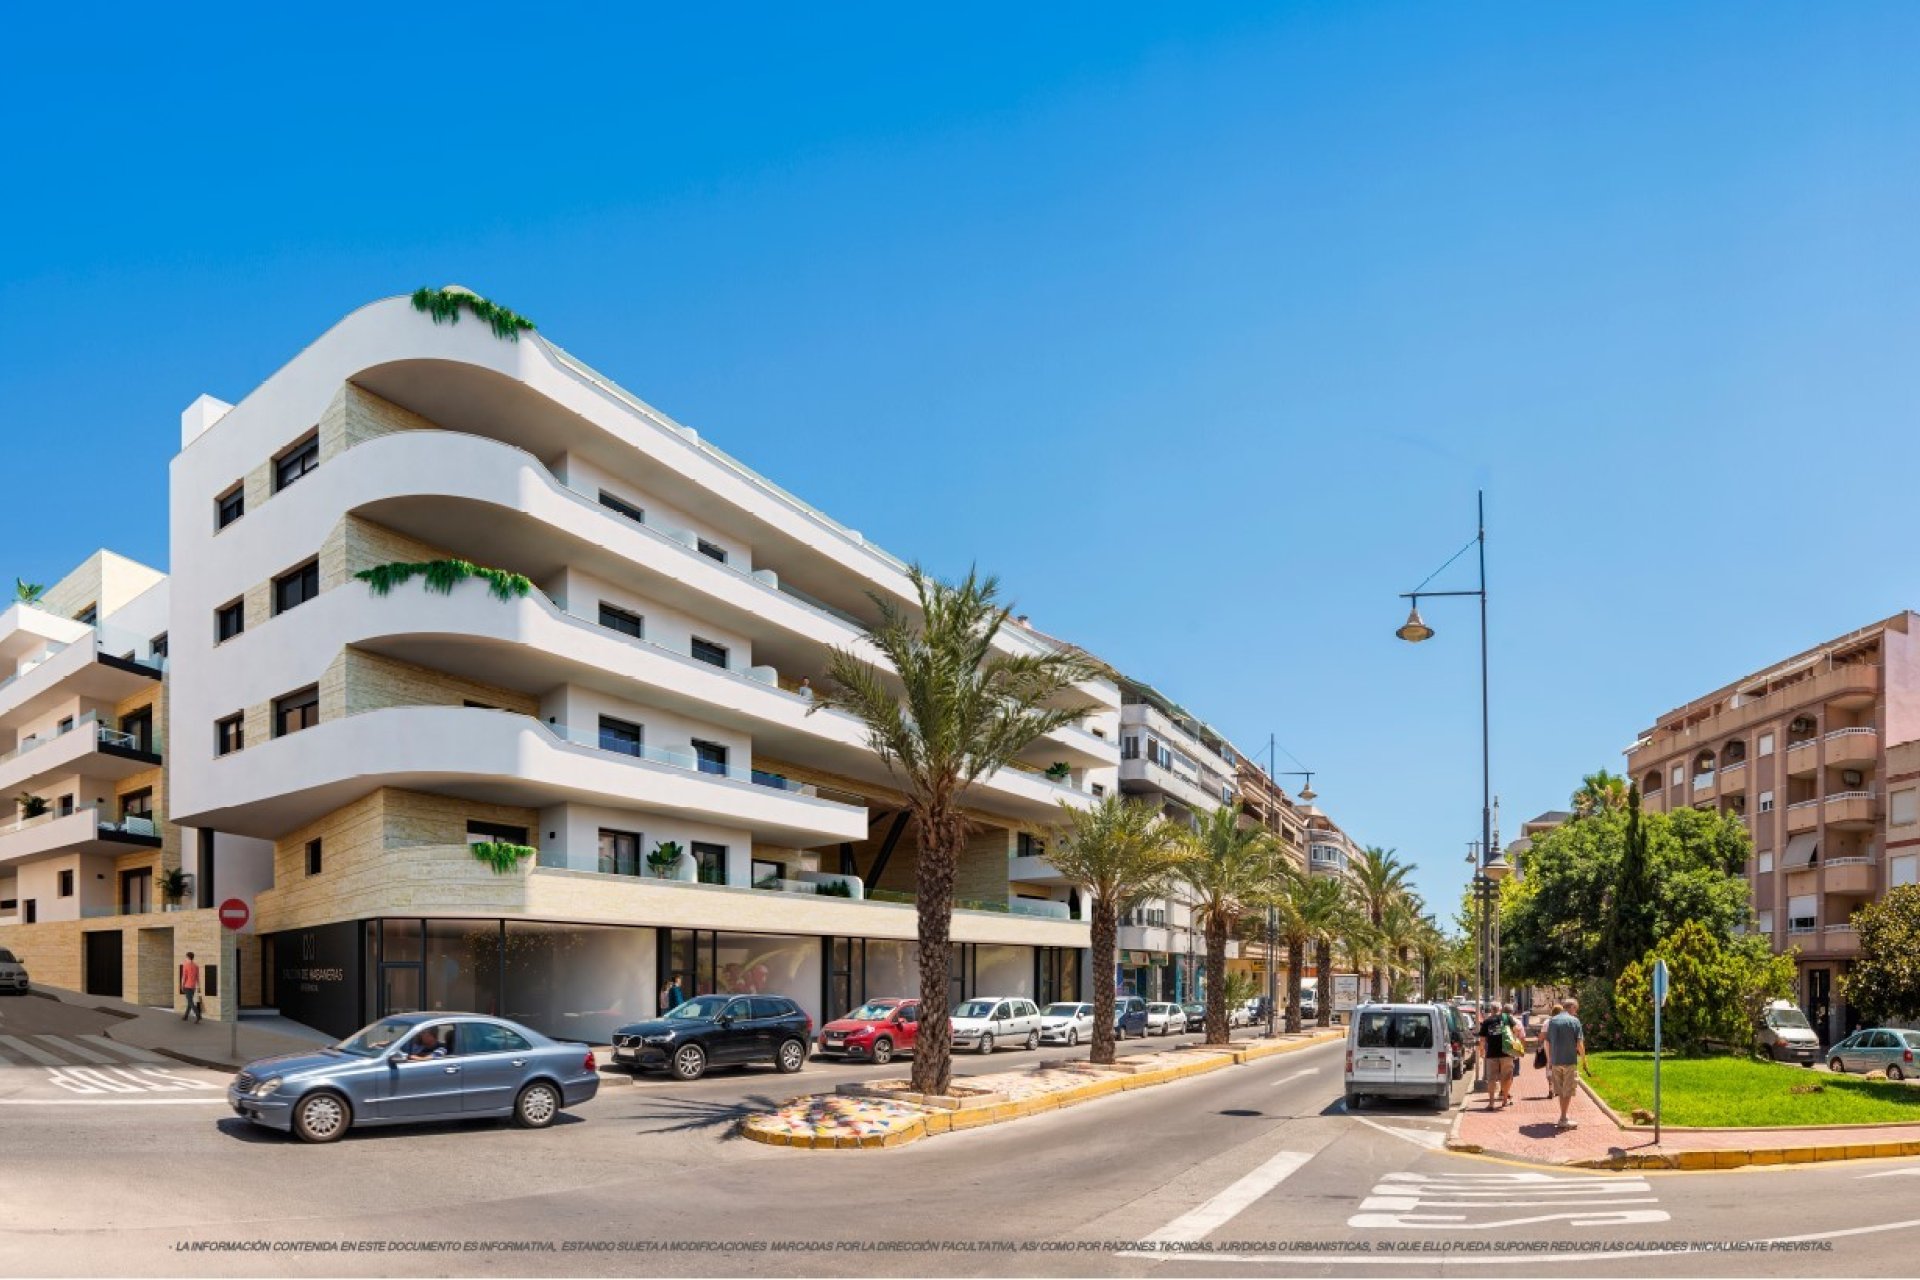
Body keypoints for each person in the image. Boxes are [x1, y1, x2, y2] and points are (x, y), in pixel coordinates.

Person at [1544, 997, 1587, 1130]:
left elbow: (1548, 1042)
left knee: (1561, 1090)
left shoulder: (1553, 1021)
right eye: (1576, 1009)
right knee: (1567, 1090)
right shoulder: (1574, 1021)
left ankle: (1563, 1116)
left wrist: (1550, 1060)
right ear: (1572, 1007)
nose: (1576, 1012)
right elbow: (1580, 1043)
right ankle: (1563, 1118)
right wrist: (1584, 1060)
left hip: (1556, 1061)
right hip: (1569, 1060)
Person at [1478, 1001, 1515, 1109]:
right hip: (1507, 1053)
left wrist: (1481, 1051)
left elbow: (1482, 1039)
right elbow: (1516, 1031)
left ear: (1491, 1009)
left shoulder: (1487, 1021)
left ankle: (1491, 1102)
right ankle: (1504, 1099)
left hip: (1492, 1054)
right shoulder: (1507, 1018)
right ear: (1500, 1009)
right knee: (1507, 1077)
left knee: (1491, 1079)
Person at [179, 951, 201, 1024]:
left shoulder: (186, 965)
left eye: (186, 957)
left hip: (187, 986)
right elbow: (197, 977)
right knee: (189, 1001)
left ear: (188, 957)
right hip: (193, 986)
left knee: (190, 1002)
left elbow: (184, 977)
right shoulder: (196, 966)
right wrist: (198, 986)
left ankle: (198, 1015)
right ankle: (185, 1016)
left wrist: (182, 985)